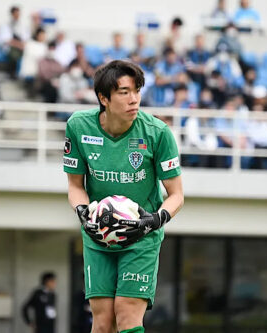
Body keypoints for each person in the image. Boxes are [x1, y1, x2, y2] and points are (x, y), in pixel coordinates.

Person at [63, 60, 184, 333]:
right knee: (104, 321)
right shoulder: (79, 127)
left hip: (142, 235)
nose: (134, 99)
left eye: (137, 91)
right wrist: (83, 213)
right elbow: (75, 186)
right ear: (103, 98)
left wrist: (153, 220)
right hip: (98, 235)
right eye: (124, 92)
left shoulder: (158, 133)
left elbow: (176, 195)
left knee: (127, 312)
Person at [0, 6, 30, 78]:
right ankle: (13, 73)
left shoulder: (22, 25)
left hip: (21, 47)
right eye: (15, 14)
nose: (17, 16)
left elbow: (26, 38)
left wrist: (23, 45)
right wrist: (19, 45)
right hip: (11, 48)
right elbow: (6, 40)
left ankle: (25, 74)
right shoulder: (6, 25)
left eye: (18, 14)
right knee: (14, 55)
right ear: (12, 14)